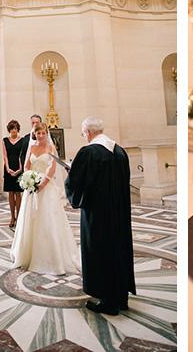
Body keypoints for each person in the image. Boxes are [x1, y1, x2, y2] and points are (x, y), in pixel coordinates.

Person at [66, 117, 135, 315]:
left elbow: (76, 182)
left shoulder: (88, 152)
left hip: (97, 216)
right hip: (119, 215)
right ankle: (120, 297)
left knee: (100, 251)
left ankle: (107, 300)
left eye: (82, 134)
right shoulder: (120, 151)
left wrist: (71, 174)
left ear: (88, 132)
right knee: (117, 250)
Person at [10, 122, 79, 274]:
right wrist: (29, 177)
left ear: (46, 133)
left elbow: (52, 167)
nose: (40, 136)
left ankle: (51, 257)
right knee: (30, 219)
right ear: (34, 133)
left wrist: (43, 183)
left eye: (42, 133)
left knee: (47, 219)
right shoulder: (32, 147)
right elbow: (27, 165)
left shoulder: (51, 147)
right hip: (32, 187)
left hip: (46, 187)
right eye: (38, 133)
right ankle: (26, 254)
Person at [2, 120, 24, 229]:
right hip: (9, 168)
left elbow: (22, 155)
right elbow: (5, 155)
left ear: (18, 129)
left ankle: (19, 217)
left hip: (19, 167)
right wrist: (8, 168)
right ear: (9, 130)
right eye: (11, 129)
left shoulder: (23, 140)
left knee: (18, 193)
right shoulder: (5, 140)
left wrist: (20, 169)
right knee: (11, 193)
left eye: (15, 128)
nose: (13, 130)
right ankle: (12, 217)